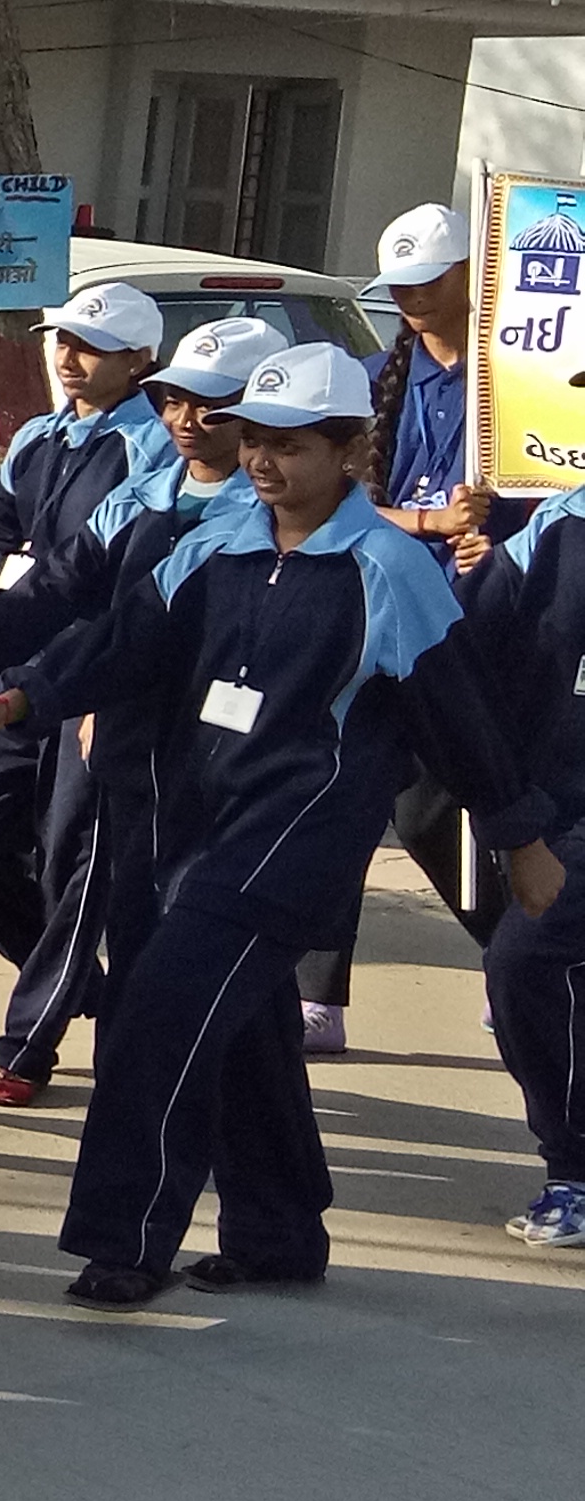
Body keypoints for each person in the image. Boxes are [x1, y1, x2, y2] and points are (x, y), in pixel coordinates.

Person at [0, 341, 558, 1305]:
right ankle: (278, 1236)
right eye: (258, 440)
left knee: (159, 1013)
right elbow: (122, 645)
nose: (266, 462)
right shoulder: (214, 544)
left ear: (349, 452)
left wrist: (520, 839)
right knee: (244, 1032)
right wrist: (17, 694)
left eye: (292, 445)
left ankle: (126, 1242)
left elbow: (460, 716)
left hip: (297, 839)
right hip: (195, 827)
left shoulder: (391, 568)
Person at [0, 312, 272, 1099]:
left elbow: (133, 634)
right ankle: (123, 1075)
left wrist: (31, 699)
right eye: (176, 399)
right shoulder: (148, 492)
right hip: (124, 733)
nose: (186, 419)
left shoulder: (264, 517)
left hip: (220, 768)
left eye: (213, 405)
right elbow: (57, 584)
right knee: (75, 888)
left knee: (200, 951)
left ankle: (59, 1054)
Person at [0, 281, 169, 1099]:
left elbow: (132, 586)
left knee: (75, 860)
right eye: (62, 341)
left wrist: (105, 695)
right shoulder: (37, 437)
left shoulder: (152, 449)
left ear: (140, 360)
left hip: (89, 678)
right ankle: (81, 986)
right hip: (12, 669)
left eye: (91, 346)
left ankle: (26, 1046)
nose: (69, 359)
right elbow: (1, 541)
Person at [301, 201, 515, 1052]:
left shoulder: (518, 387)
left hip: (479, 625)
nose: (412, 298)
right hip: (372, 618)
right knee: (338, 799)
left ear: (472, 274)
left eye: (428, 281)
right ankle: (318, 995)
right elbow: (331, 501)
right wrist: (429, 523)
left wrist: (497, 535)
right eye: (399, 286)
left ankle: (519, 957)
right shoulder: (369, 380)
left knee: (440, 809)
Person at [471, 473, 585, 1249]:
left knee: (528, 960)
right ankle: (572, 1168)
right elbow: (458, 640)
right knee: (523, 964)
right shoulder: (557, 526)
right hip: (559, 809)